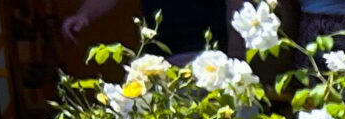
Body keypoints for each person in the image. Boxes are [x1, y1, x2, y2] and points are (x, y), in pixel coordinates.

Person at [62, 0, 229, 56]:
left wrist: (237, 56)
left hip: (213, 57)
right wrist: (84, 14)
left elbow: (238, 5)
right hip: (159, 58)